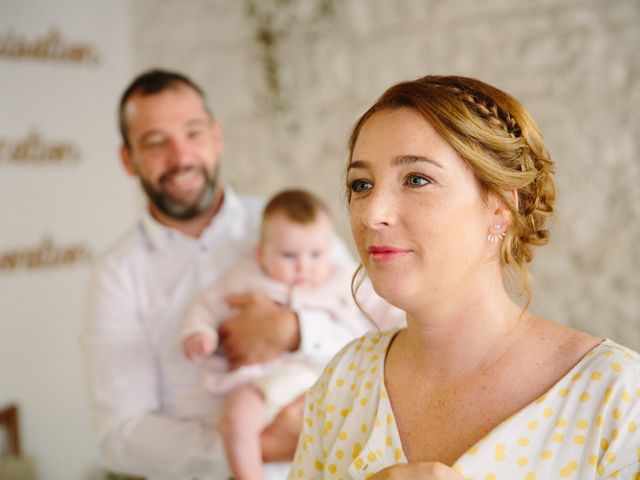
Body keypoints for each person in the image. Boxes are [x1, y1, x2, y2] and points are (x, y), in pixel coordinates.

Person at [288, 75, 640, 479]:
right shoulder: (344, 382)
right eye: (361, 185)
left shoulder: (618, 399)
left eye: (417, 179)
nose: (372, 213)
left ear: (500, 208)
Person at [82, 69, 399, 480]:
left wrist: (296, 329)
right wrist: (260, 446)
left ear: (216, 136)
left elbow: (378, 335)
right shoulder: (116, 275)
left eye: (192, 133)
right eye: (156, 142)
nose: (181, 157)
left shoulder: (289, 225)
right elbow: (119, 436)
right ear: (129, 159)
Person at [182, 188, 371, 480]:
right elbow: (206, 305)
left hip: (321, 379)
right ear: (262, 253)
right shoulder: (246, 277)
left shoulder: (342, 281)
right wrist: (200, 332)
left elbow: (375, 321)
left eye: (316, 255)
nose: (304, 267)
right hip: (262, 380)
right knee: (236, 416)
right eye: (288, 255)